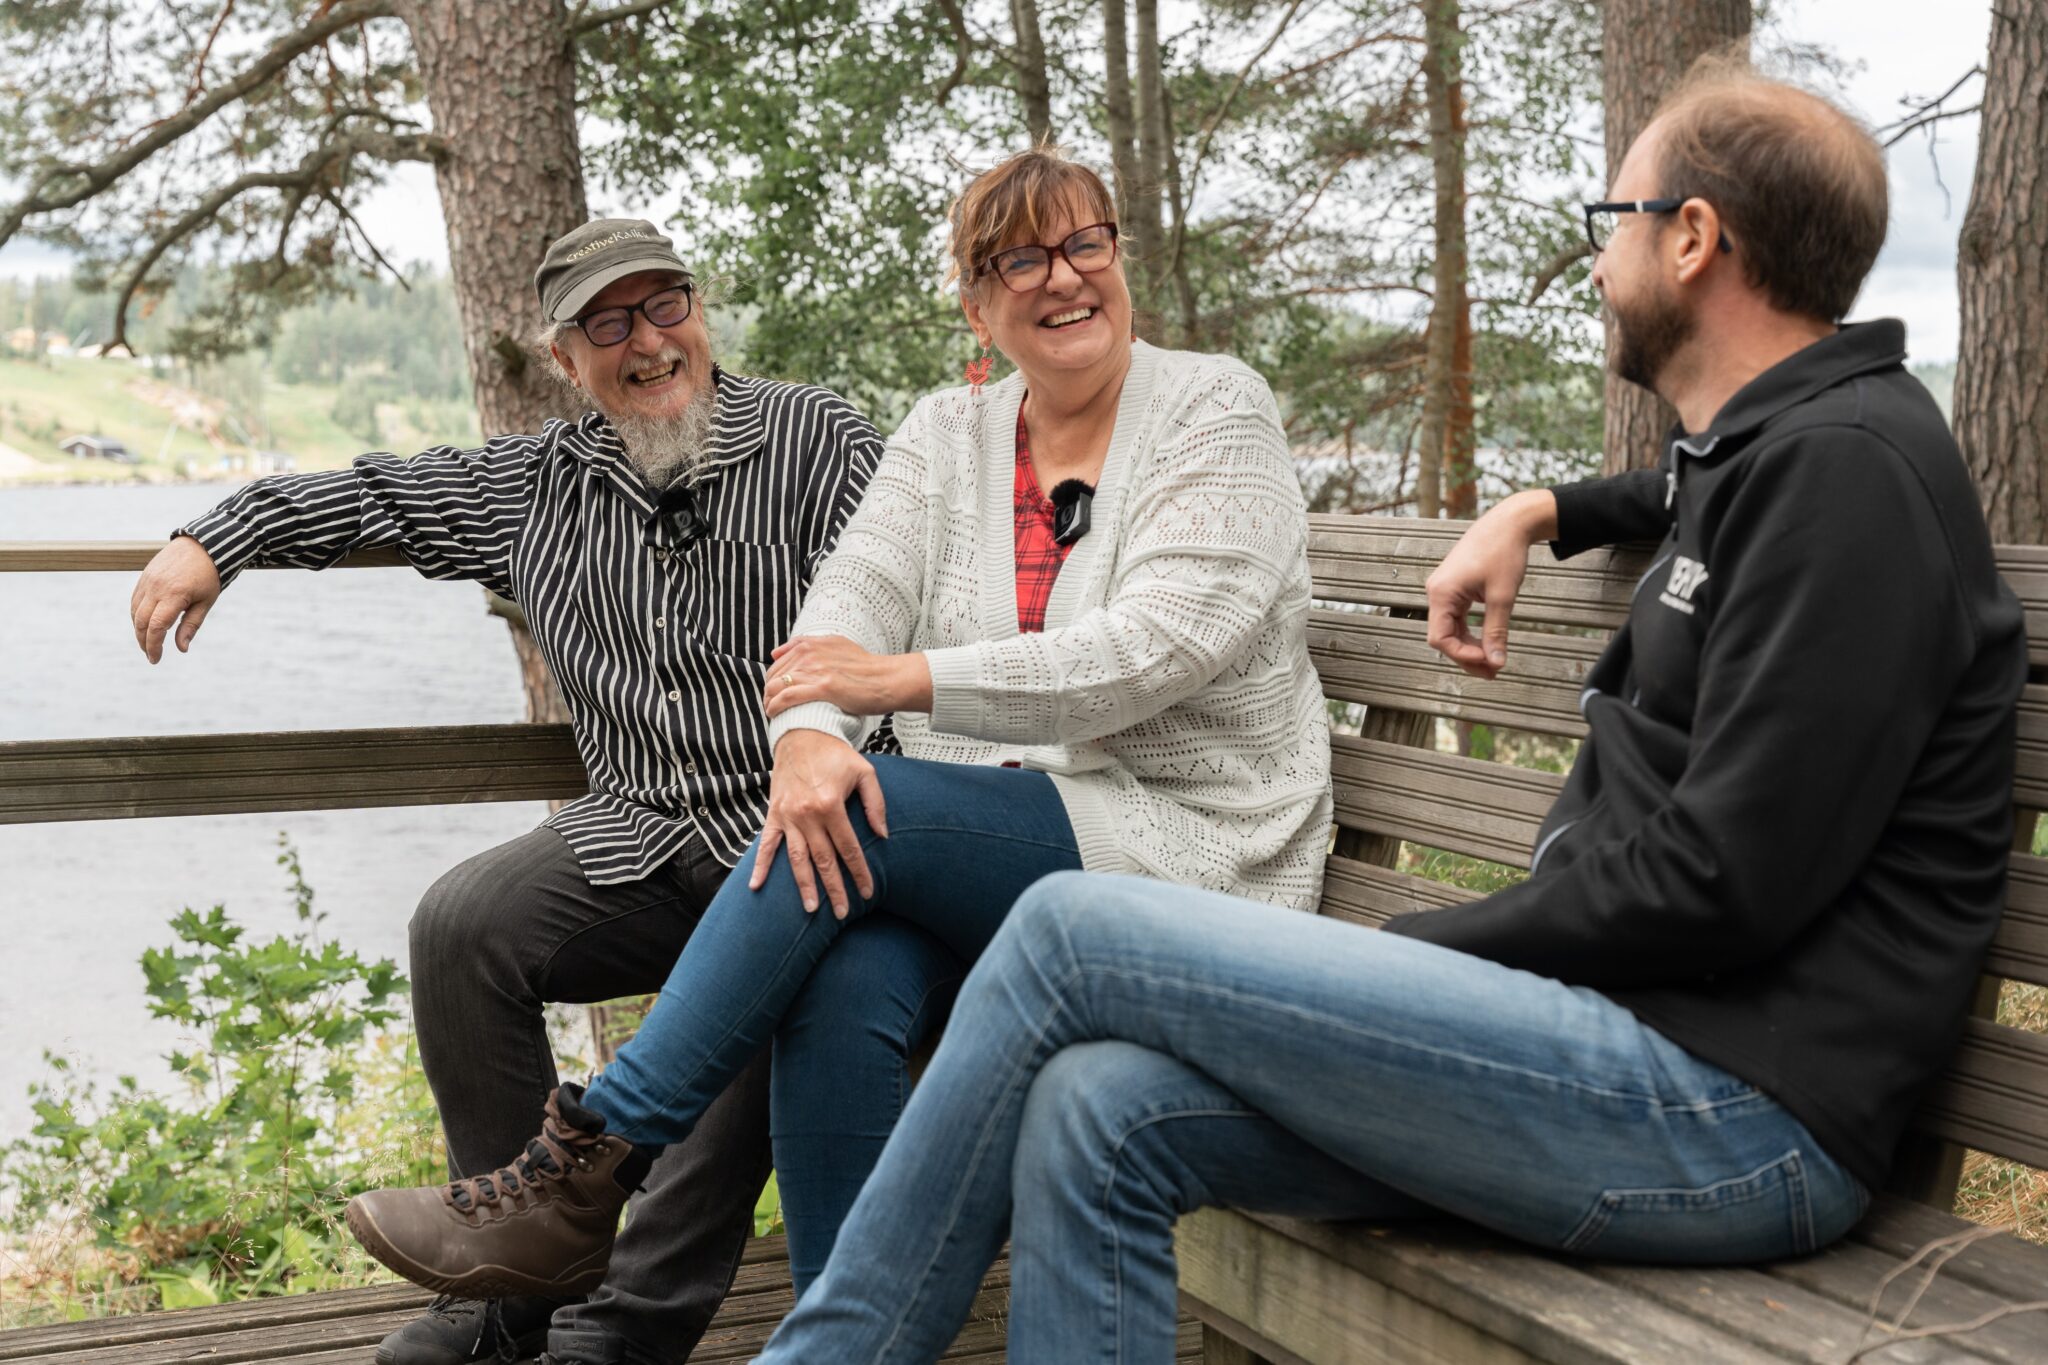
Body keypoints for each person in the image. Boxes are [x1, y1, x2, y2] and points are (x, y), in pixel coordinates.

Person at [742, 58, 2029, 1363]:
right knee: (1091, 1107)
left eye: (1613, 221)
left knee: (1070, 931)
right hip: (1624, 1052)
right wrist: (1540, 508)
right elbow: (1690, 496)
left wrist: (1423, 949)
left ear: (1691, 239)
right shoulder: (1776, 453)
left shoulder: (1849, 478)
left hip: (1729, 1111)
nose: (1597, 263)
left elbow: (1720, 883)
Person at [341, 146, 1335, 1302]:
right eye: (1021, 260)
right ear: (976, 304)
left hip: (1194, 850)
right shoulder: (948, 433)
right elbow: (838, 613)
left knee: (865, 820)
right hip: (1017, 851)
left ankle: (589, 1161)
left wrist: (894, 683)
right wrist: (811, 741)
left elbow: (1155, 651)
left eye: (1084, 244)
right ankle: (839, 1326)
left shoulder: (1214, 409)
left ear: (1117, 258)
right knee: (843, 947)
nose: (1063, 277)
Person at [127, 219, 893, 1365]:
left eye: (666, 304)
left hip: (798, 833)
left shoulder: (816, 438)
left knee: (758, 1007)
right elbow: (375, 497)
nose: (649, 341)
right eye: (609, 322)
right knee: (461, 924)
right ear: (564, 359)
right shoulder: (534, 484)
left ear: (699, 311)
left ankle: (619, 1336)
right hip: (636, 831)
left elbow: (909, 601)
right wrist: (217, 539)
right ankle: (505, 1295)